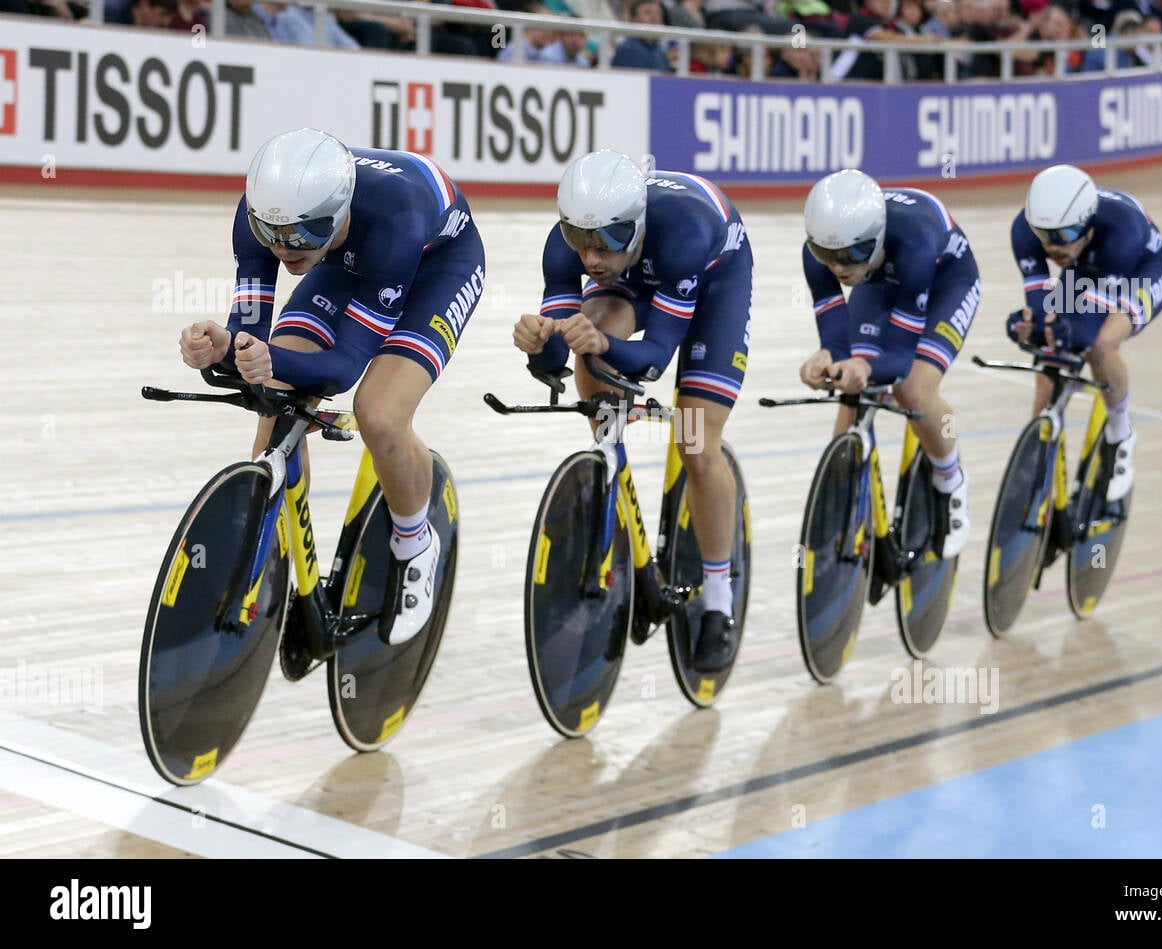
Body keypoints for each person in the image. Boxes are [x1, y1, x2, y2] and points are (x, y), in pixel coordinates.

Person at [178, 128, 485, 646]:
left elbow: (342, 367)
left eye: (303, 234)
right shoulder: (269, 216)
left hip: (438, 266)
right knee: (275, 396)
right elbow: (250, 333)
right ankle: (269, 549)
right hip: (345, 261)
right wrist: (223, 346)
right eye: (274, 234)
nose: (285, 249)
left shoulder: (395, 217)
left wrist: (259, 353)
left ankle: (416, 544)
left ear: (339, 211)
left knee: (379, 412)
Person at [512, 150, 753, 673]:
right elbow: (558, 355)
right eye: (582, 243)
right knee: (592, 336)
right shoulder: (567, 244)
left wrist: (599, 343)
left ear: (637, 224)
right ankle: (611, 465)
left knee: (694, 440)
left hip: (713, 284)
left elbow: (655, 360)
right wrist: (539, 343)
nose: (592, 259)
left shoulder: (687, 229)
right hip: (640, 279)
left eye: (606, 243)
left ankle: (718, 600)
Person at [798, 170, 978, 560]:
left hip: (944, 285)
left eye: (850, 255)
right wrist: (827, 356)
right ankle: (841, 508)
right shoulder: (823, 254)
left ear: (877, 237)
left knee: (911, 388)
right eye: (827, 256)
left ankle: (950, 480)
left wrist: (866, 367)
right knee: (852, 392)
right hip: (877, 283)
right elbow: (835, 337)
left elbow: (897, 357)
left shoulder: (915, 241)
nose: (838, 269)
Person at [1009, 164, 1162, 500]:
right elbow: (1041, 311)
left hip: (1140, 272)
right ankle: (1039, 450)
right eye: (1045, 236)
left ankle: (1120, 431)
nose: (1053, 248)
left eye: (1064, 236)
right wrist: (1027, 326)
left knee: (1099, 345)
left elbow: (1087, 326)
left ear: (1087, 226)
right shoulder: (1025, 230)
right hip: (1086, 270)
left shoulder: (1123, 228)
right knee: (1052, 359)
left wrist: (1063, 331)